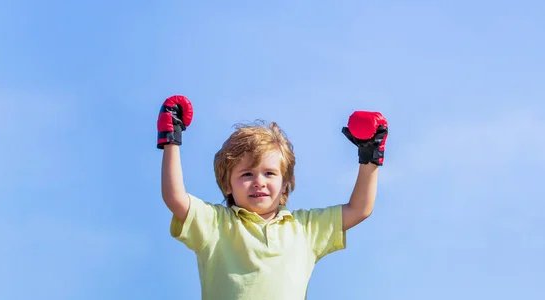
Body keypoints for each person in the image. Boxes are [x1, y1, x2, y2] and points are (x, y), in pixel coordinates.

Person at [157, 95, 388, 300]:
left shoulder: (305, 228)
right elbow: (175, 198)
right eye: (247, 174)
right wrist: (171, 141)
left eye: (269, 173)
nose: (259, 181)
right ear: (227, 185)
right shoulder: (217, 224)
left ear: (285, 182)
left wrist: (370, 157)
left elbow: (360, 209)